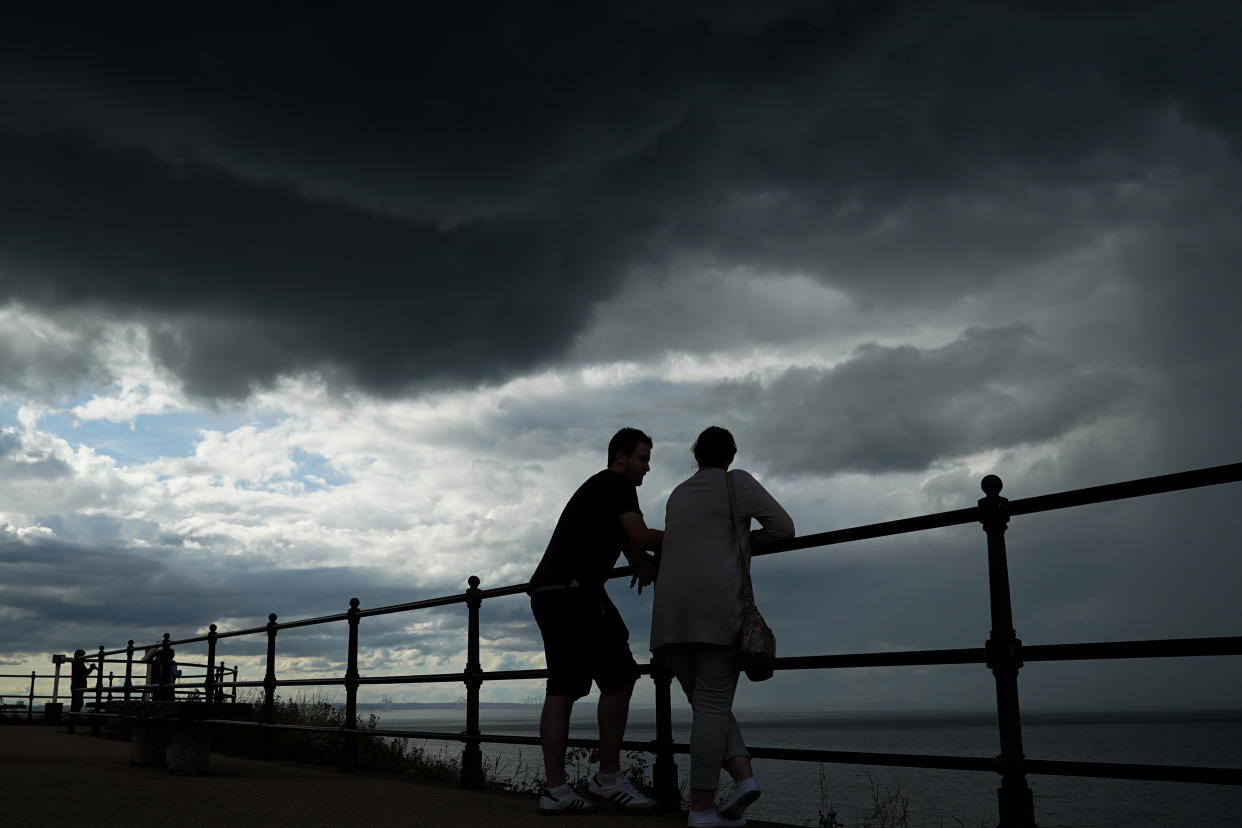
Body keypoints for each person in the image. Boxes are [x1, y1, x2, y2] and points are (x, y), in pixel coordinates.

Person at [650, 426, 794, 828]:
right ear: (731, 455)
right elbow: (785, 528)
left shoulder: (678, 493)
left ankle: (744, 780)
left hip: (668, 619)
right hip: (716, 612)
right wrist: (741, 542)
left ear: (696, 455)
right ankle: (700, 808)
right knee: (712, 706)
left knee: (706, 706)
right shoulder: (738, 483)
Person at [528, 427, 664, 815]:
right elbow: (638, 533)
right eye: (642, 458)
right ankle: (607, 777)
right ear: (620, 456)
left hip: (550, 592)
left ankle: (555, 789)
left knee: (562, 689)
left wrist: (637, 559)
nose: (647, 467)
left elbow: (623, 538)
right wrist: (688, 538)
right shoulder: (619, 485)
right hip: (575, 593)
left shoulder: (599, 488)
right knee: (621, 676)